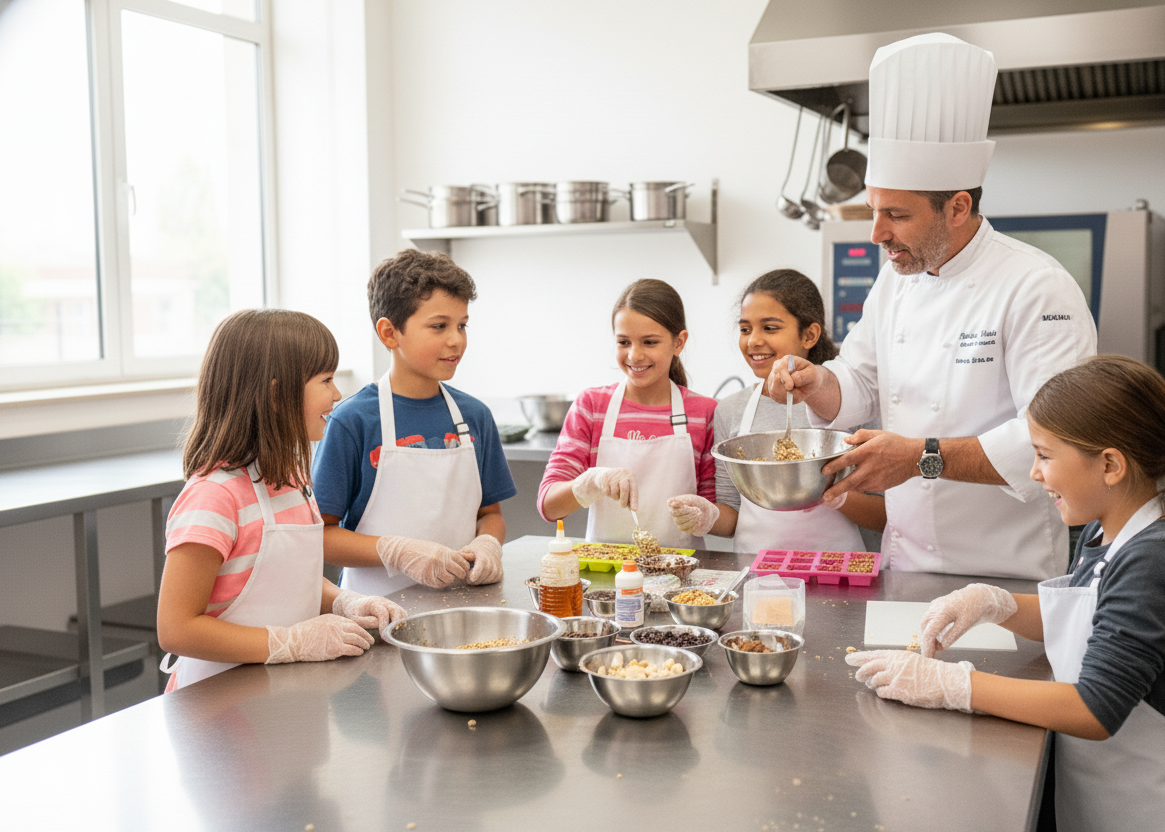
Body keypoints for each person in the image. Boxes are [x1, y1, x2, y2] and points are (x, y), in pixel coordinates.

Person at [771, 33, 1095, 580]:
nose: (876, 233)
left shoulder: (1036, 286)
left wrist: (922, 456)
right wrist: (815, 381)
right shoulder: (896, 280)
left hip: (1005, 574)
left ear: (958, 207)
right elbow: (860, 381)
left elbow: (1053, 438)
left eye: (896, 215)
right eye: (874, 210)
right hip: (906, 566)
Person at [846, 354, 1165, 832]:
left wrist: (957, 686)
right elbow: (1093, 623)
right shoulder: (1106, 531)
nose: (1035, 473)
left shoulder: (1149, 559)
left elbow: (1095, 707)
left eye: (1045, 456)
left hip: (1139, 803)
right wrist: (997, 604)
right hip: (1094, 789)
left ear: (1110, 465)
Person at [157, 309, 404, 692]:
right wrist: (290, 642)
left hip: (287, 694)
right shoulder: (214, 496)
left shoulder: (291, 478)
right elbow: (176, 629)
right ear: (276, 394)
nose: (337, 394)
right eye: (325, 380)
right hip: (217, 704)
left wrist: (345, 602)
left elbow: (290, 580)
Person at [312, 249, 516, 596]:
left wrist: (488, 543)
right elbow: (321, 536)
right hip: (375, 610)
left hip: (460, 603)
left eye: (462, 325)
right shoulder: (352, 421)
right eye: (439, 326)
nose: (456, 339)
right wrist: (396, 551)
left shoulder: (475, 416)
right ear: (390, 333)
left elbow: (490, 514)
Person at [667, 269, 885, 552]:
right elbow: (733, 513)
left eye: (770, 328)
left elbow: (884, 517)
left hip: (835, 570)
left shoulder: (855, 406)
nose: (753, 341)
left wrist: (832, 493)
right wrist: (707, 517)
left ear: (809, 335)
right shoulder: (730, 410)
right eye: (745, 329)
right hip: (756, 570)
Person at [538, 278, 718, 549]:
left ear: (679, 342)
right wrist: (593, 481)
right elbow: (549, 506)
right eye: (624, 342)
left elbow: (720, 512)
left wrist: (705, 516)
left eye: (649, 342)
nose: (634, 355)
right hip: (604, 571)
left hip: (681, 569)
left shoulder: (704, 413)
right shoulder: (592, 406)